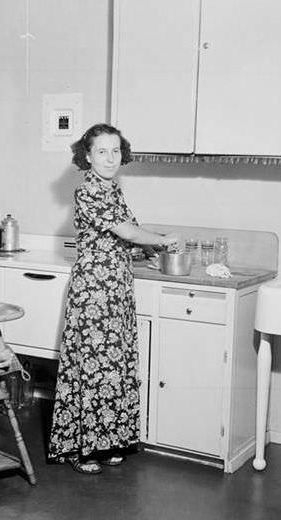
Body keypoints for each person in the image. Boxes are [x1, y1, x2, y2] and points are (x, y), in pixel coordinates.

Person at [48, 123, 181, 474]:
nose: (110, 158)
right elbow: (125, 231)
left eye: (116, 150)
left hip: (116, 288)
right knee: (93, 366)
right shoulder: (89, 189)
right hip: (94, 291)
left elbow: (125, 236)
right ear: (87, 156)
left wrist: (147, 248)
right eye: (102, 151)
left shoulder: (112, 188)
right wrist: (165, 240)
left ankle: (106, 442)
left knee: (113, 366)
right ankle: (82, 450)